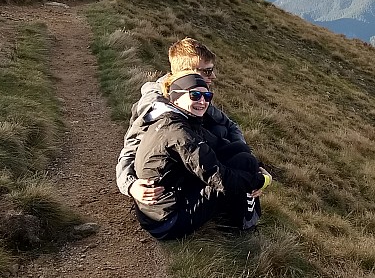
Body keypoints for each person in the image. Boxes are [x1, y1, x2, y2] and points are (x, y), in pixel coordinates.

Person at [131, 72, 271, 239]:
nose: (202, 101)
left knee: (241, 152)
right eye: (195, 95)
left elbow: (220, 146)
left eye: (207, 95)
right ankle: (245, 224)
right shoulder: (179, 133)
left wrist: (258, 167)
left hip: (171, 196)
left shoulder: (179, 118)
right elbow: (220, 179)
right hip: (166, 221)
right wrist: (259, 181)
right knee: (240, 172)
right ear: (175, 98)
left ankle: (242, 208)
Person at [116, 37, 245, 204]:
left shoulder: (195, 95)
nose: (213, 76)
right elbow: (132, 145)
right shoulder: (155, 104)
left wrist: (244, 157)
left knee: (221, 131)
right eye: (206, 71)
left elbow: (230, 125)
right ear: (186, 72)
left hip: (194, 155)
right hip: (173, 176)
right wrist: (130, 185)